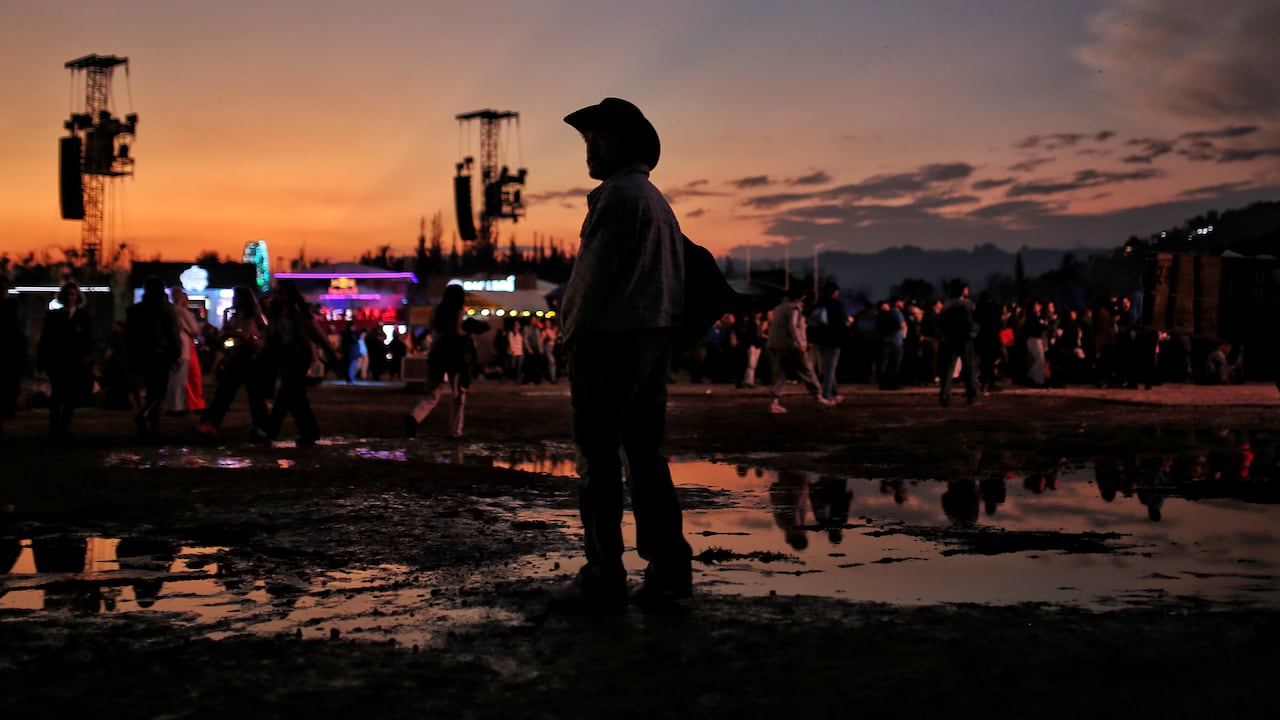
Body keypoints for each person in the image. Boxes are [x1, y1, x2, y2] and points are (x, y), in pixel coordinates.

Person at [555, 97, 694, 609]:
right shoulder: (656, 200)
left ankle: (602, 571)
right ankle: (668, 570)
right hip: (651, 341)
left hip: (608, 343)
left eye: (595, 138)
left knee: (597, 459)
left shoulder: (615, 199)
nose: (588, 148)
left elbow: (589, 286)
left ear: (622, 143)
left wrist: (570, 335)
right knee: (645, 458)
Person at [258, 279, 339, 447]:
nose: (279, 294)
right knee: (295, 396)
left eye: (282, 291)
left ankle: (270, 430)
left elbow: (316, 333)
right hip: (284, 356)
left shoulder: (299, 311)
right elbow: (271, 335)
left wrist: (332, 353)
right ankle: (309, 433)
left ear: (290, 292)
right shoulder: (276, 312)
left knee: (286, 392)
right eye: (278, 291)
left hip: (299, 356)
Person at [196, 286, 269, 438]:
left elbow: (265, 332)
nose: (234, 300)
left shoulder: (255, 314)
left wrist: (251, 338)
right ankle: (211, 423)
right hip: (237, 355)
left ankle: (262, 427)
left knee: (255, 395)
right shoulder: (233, 315)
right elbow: (226, 334)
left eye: (236, 297)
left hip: (251, 356)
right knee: (224, 391)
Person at [404, 282, 474, 439]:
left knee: (432, 394)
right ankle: (456, 431)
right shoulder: (458, 310)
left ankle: (415, 417)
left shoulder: (438, 310)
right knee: (459, 395)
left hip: (437, 353)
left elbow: (433, 329)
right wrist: (469, 331)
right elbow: (457, 331)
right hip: (454, 355)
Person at [36, 281, 95, 441]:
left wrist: (88, 358)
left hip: (74, 362)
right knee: (57, 395)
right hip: (58, 361)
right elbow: (46, 339)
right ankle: (55, 427)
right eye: (68, 294)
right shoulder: (55, 316)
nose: (70, 298)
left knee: (69, 397)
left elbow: (88, 339)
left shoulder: (83, 317)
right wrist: (42, 361)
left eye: (73, 294)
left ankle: (63, 427)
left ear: (77, 297)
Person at [125, 277, 182, 438]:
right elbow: (173, 332)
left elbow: (129, 334)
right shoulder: (166, 308)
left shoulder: (135, 310)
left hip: (142, 353)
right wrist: (177, 353)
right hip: (161, 353)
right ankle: (148, 417)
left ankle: (150, 420)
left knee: (151, 388)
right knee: (160, 389)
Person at [767, 286, 836, 414]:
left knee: (781, 374)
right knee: (807, 370)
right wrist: (800, 343)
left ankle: (773, 403)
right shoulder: (794, 309)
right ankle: (818, 397)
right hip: (791, 346)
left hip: (777, 344)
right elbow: (793, 327)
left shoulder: (779, 308)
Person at [164, 284, 205, 416]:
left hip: (174, 347)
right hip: (184, 347)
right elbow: (193, 330)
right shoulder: (183, 312)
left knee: (175, 378)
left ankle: (177, 405)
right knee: (182, 378)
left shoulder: (169, 310)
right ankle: (178, 407)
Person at [938, 279, 979, 406]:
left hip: (950, 339)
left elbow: (942, 322)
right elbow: (971, 322)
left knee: (949, 368)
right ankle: (971, 394)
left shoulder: (947, 305)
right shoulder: (967, 305)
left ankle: (944, 394)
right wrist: (973, 333)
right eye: (966, 288)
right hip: (965, 340)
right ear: (962, 289)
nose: (968, 290)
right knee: (969, 367)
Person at [809, 281, 849, 402]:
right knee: (830, 368)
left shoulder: (818, 304)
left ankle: (835, 393)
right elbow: (842, 322)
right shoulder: (837, 304)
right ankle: (826, 395)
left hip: (820, 339)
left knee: (828, 367)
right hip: (834, 339)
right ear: (835, 292)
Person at [0, 275, 27, 438]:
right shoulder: (15, 306)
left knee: (9, 388)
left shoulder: (14, 306)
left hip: (10, 354)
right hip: (9, 354)